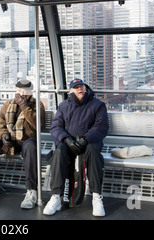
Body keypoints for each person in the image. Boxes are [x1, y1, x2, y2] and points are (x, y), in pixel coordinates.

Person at [43, 78, 109, 217]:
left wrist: (85, 139)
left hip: (89, 142)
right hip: (69, 143)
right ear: (71, 91)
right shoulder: (64, 106)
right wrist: (67, 140)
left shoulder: (97, 105)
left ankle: (97, 197)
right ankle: (55, 196)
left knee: (93, 151)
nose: (80, 89)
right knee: (59, 151)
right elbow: (55, 127)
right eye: (76, 87)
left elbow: (101, 127)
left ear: (86, 89)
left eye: (82, 86)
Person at [0, 79, 46, 209]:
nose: (22, 94)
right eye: (20, 91)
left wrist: (25, 107)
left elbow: (38, 125)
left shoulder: (37, 105)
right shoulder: (8, 104)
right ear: (16, 91)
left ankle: (32, 190)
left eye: (25, 92)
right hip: (9, 140)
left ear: (30, 93)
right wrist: (3, 135)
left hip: (26, 139)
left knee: (31, 147)